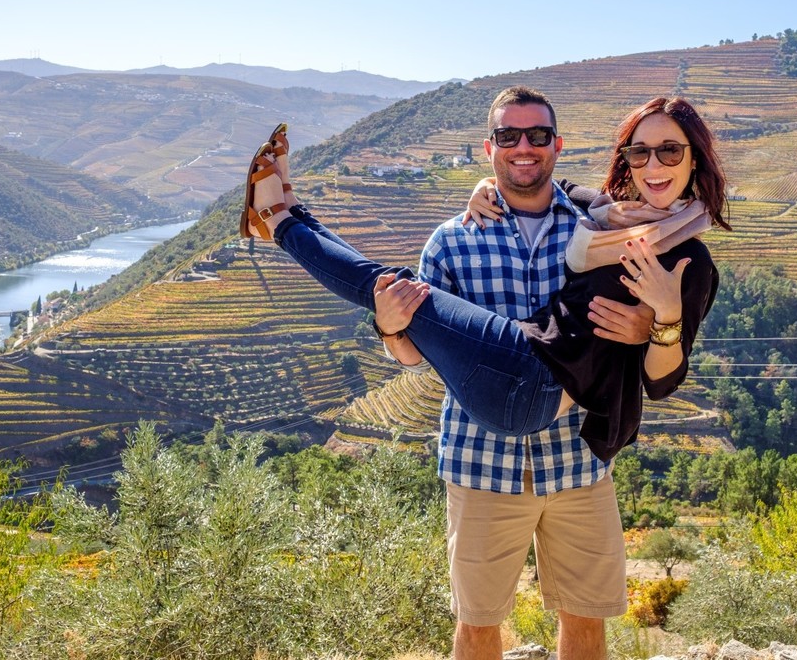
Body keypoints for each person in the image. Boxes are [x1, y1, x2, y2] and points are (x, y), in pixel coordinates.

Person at [242, 89, 729, 659]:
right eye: (508, 138)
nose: (524, 148)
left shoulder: (670, 253)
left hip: (573, 453)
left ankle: (279, 219)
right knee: (477, 625)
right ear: (489, 148)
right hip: (485, 451)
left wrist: (662, 319)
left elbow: (663, 380)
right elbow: (416, 356)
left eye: (670, 152)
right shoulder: (584, 219)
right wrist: (390, 326)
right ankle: (280, 216)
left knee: (587, 621)